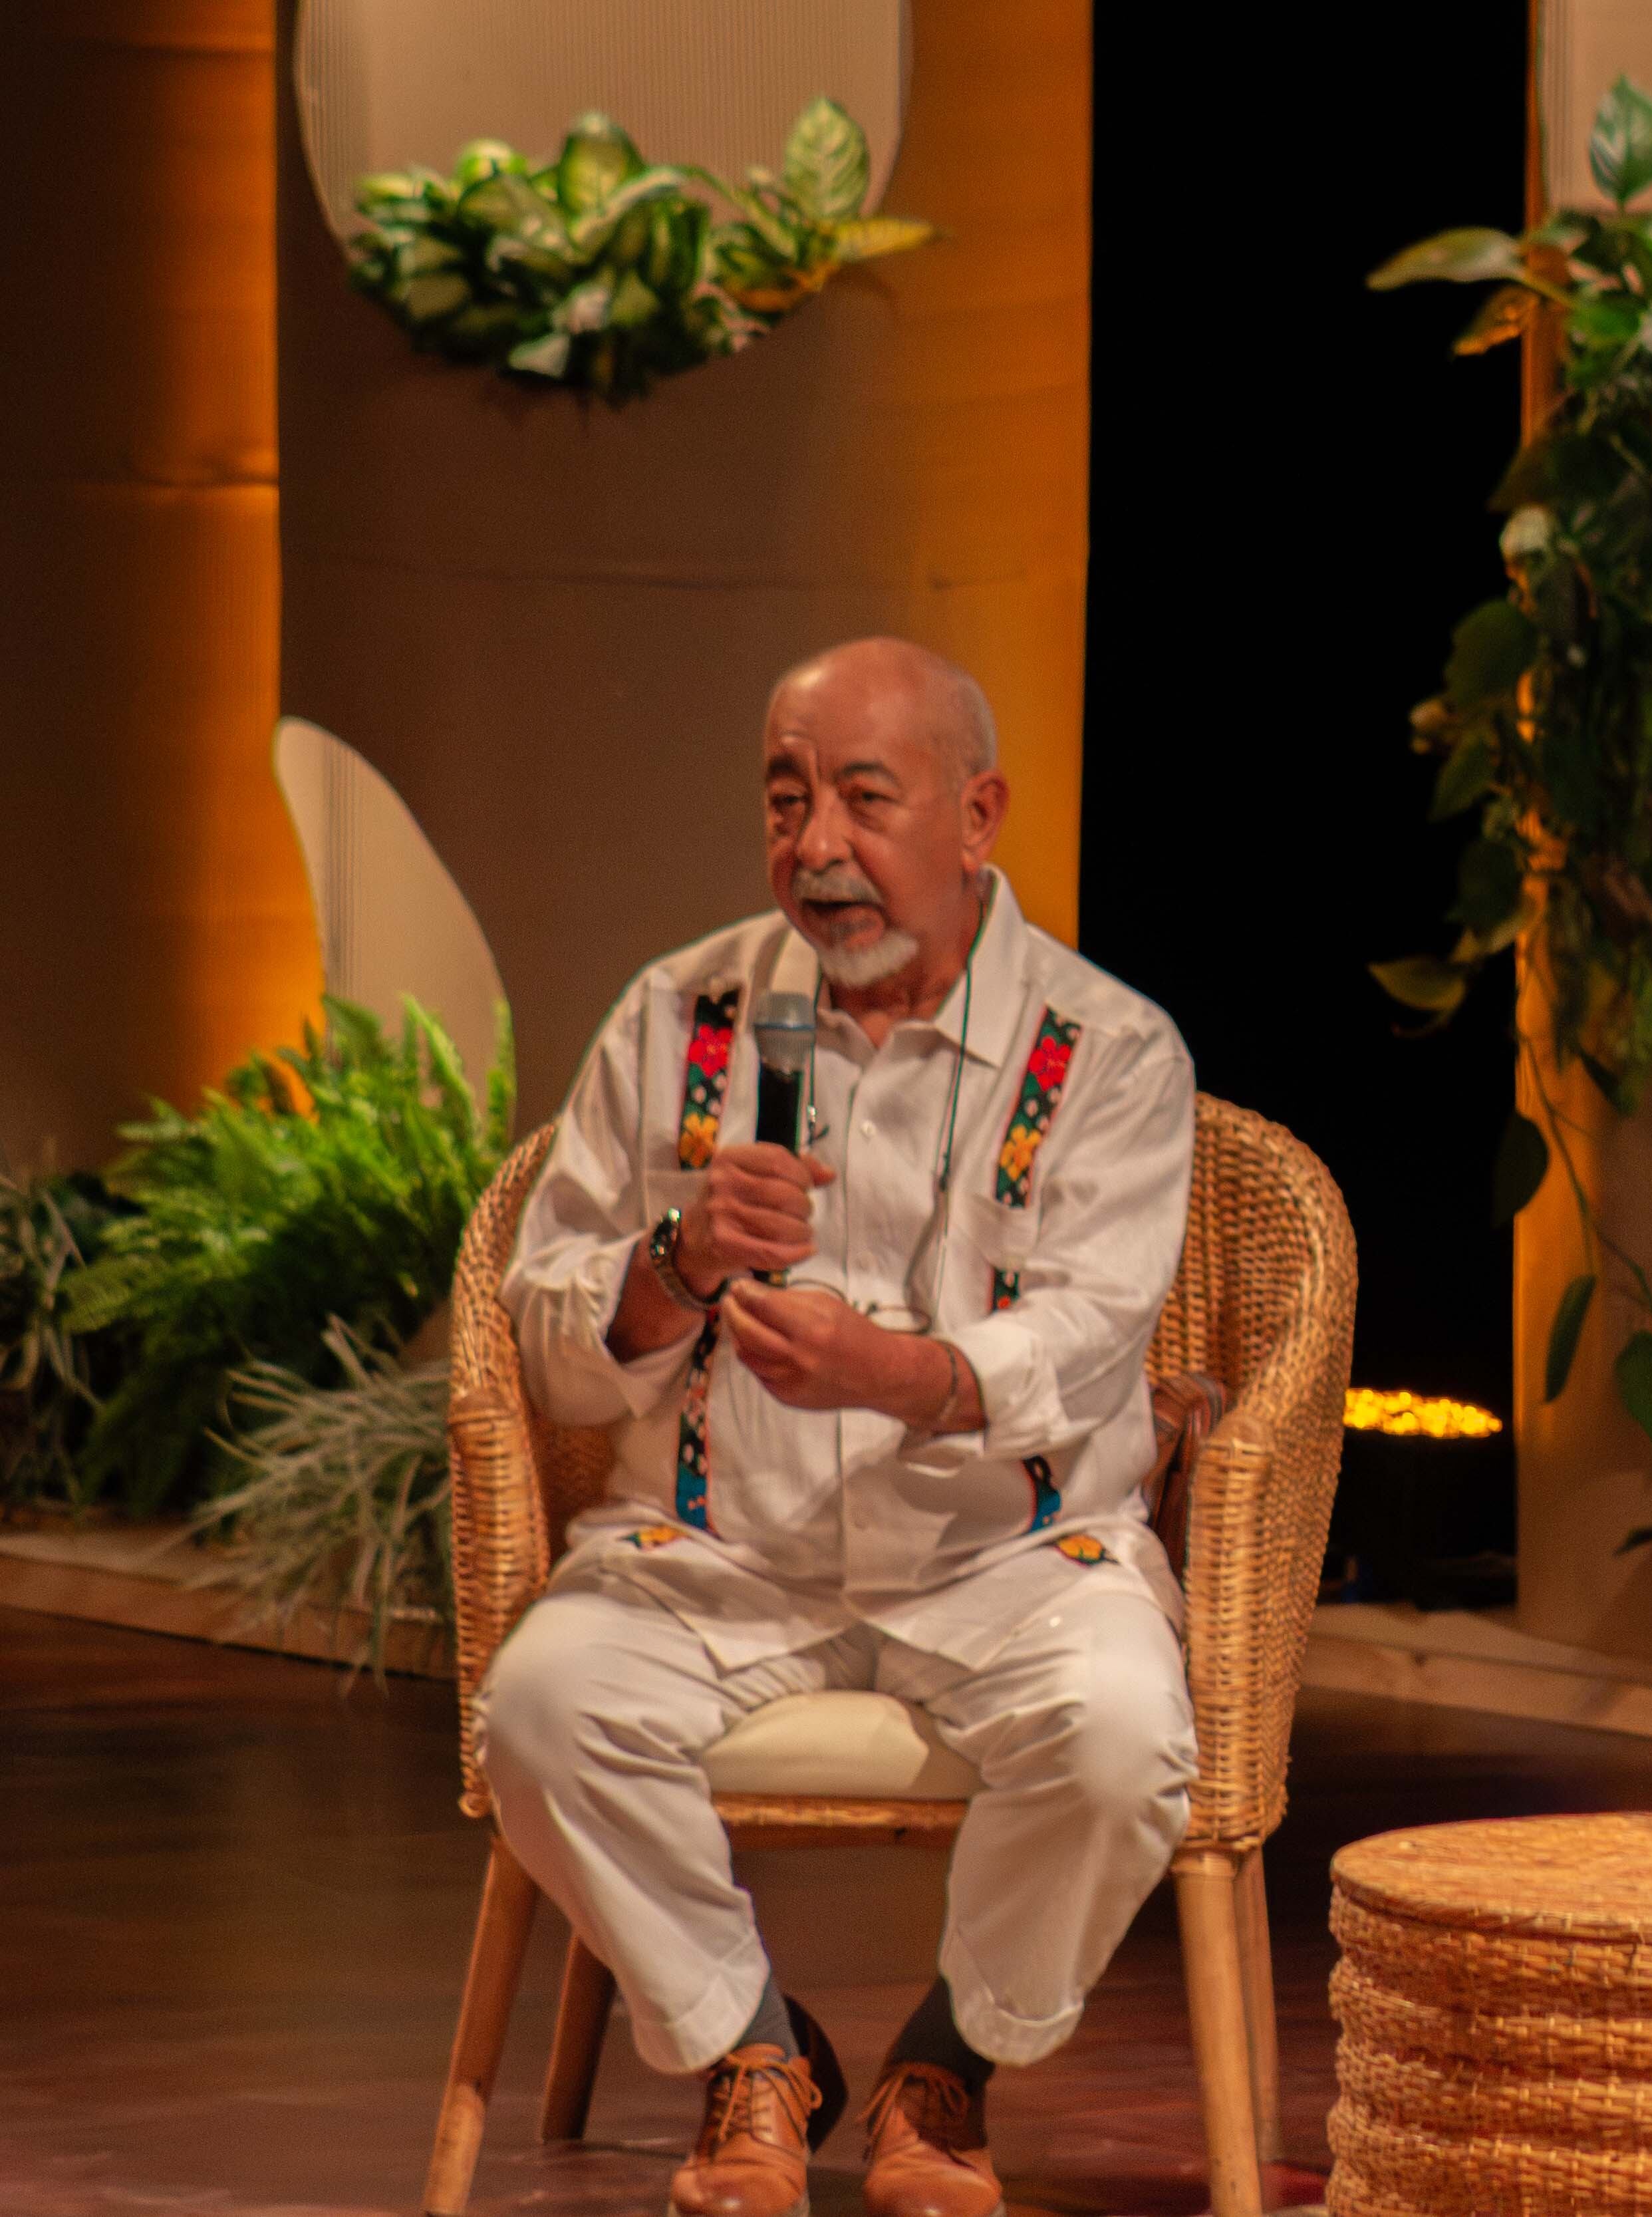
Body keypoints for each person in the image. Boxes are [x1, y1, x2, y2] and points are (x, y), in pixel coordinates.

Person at [480, 638, 1197, 2217]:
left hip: (1004, 1554)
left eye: (866, 801)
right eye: (787, 800)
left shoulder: (1109, 1051)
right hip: (718, 1545)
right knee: (536, 1712)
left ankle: (947, 2069)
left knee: (1125, 1737)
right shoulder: (685, 1018)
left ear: (978, 814)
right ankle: (752, 2056)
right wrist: (675, 1266)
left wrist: (898, 1373)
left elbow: (1090, 1337)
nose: (818, 850)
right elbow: (538, 1320)